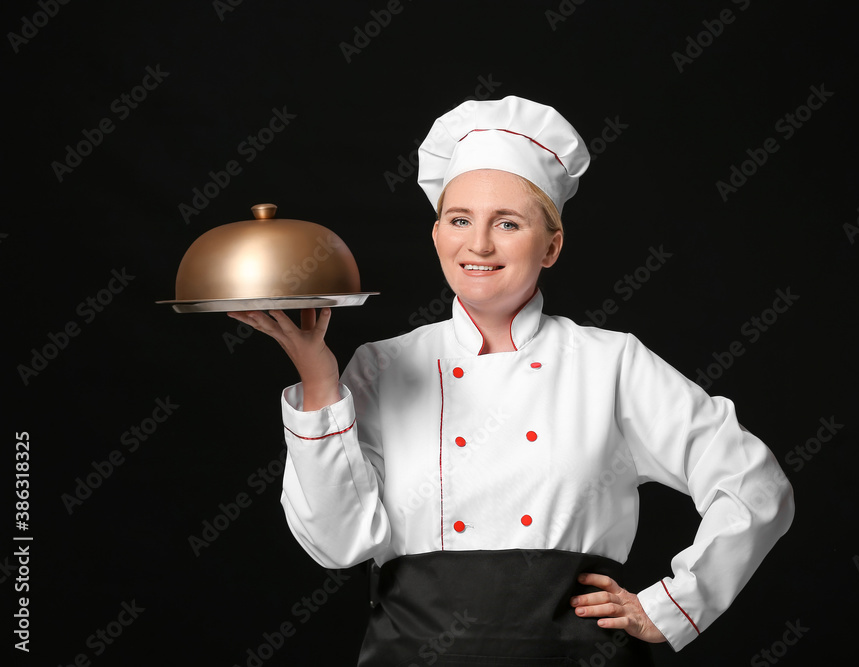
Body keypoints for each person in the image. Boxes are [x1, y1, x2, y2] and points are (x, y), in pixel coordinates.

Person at [229, 96, 794, 665]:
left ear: (551, 245)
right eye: (460, 220)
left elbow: (754, 484)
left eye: (508, 223)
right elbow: (336, 544)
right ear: (436, 235)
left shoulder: (611, 364)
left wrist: (674, 604)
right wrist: (320, 380)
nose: (478, 245)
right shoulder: (382, 366)